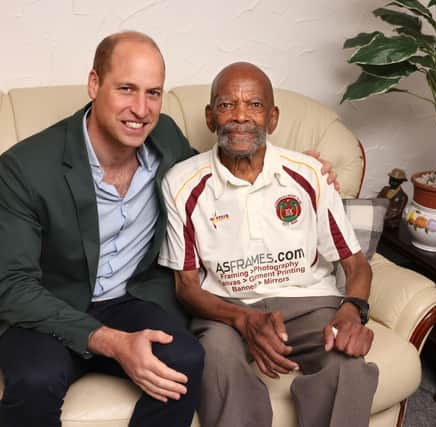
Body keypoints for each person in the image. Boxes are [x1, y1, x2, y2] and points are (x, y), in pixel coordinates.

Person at [0, 32, 338, 427]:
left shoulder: (166, 138)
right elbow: (11, 287)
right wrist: (113, 342)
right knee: (36, 379)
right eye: (126, 89)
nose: (141, 109)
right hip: (48, 305)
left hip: (129, 299)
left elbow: (217, 180)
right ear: (94, 84)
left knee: (186, 360)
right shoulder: (25, 166)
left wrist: (297, 170)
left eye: (153, 93)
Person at [158, 62, 379, 427]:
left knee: (347, 368)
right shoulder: (182, 183)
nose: (241, 117)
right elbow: (186, 288)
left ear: (272, 118)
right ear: (210, 117)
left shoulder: (309, 174)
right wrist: (244, 319)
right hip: (226, 312)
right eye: (227, 105)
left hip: (310, 306)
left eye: (255, 106)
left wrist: (352, 312)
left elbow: (355, 264)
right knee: (216, 359)